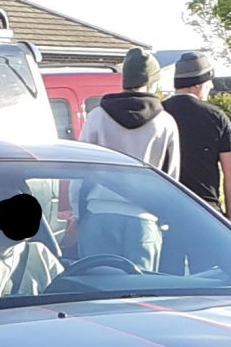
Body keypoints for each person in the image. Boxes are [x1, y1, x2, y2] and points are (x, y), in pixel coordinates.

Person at [76, 47, 181, 269]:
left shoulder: (97, 116)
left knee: (94, 289)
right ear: (153, 82)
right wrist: (167, 218)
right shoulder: (165, 122)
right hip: (145, 218)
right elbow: (172, 177)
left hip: (99, 215)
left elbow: (79, 169)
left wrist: (78, 215)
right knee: (140, 296)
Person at [162, 51, 231, 221]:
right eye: (209, 81)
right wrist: (230, 219)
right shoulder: (216, 117)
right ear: (198, 84)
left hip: (165, 204)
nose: (211, 86)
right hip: (205, 208)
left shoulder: (159, 114)